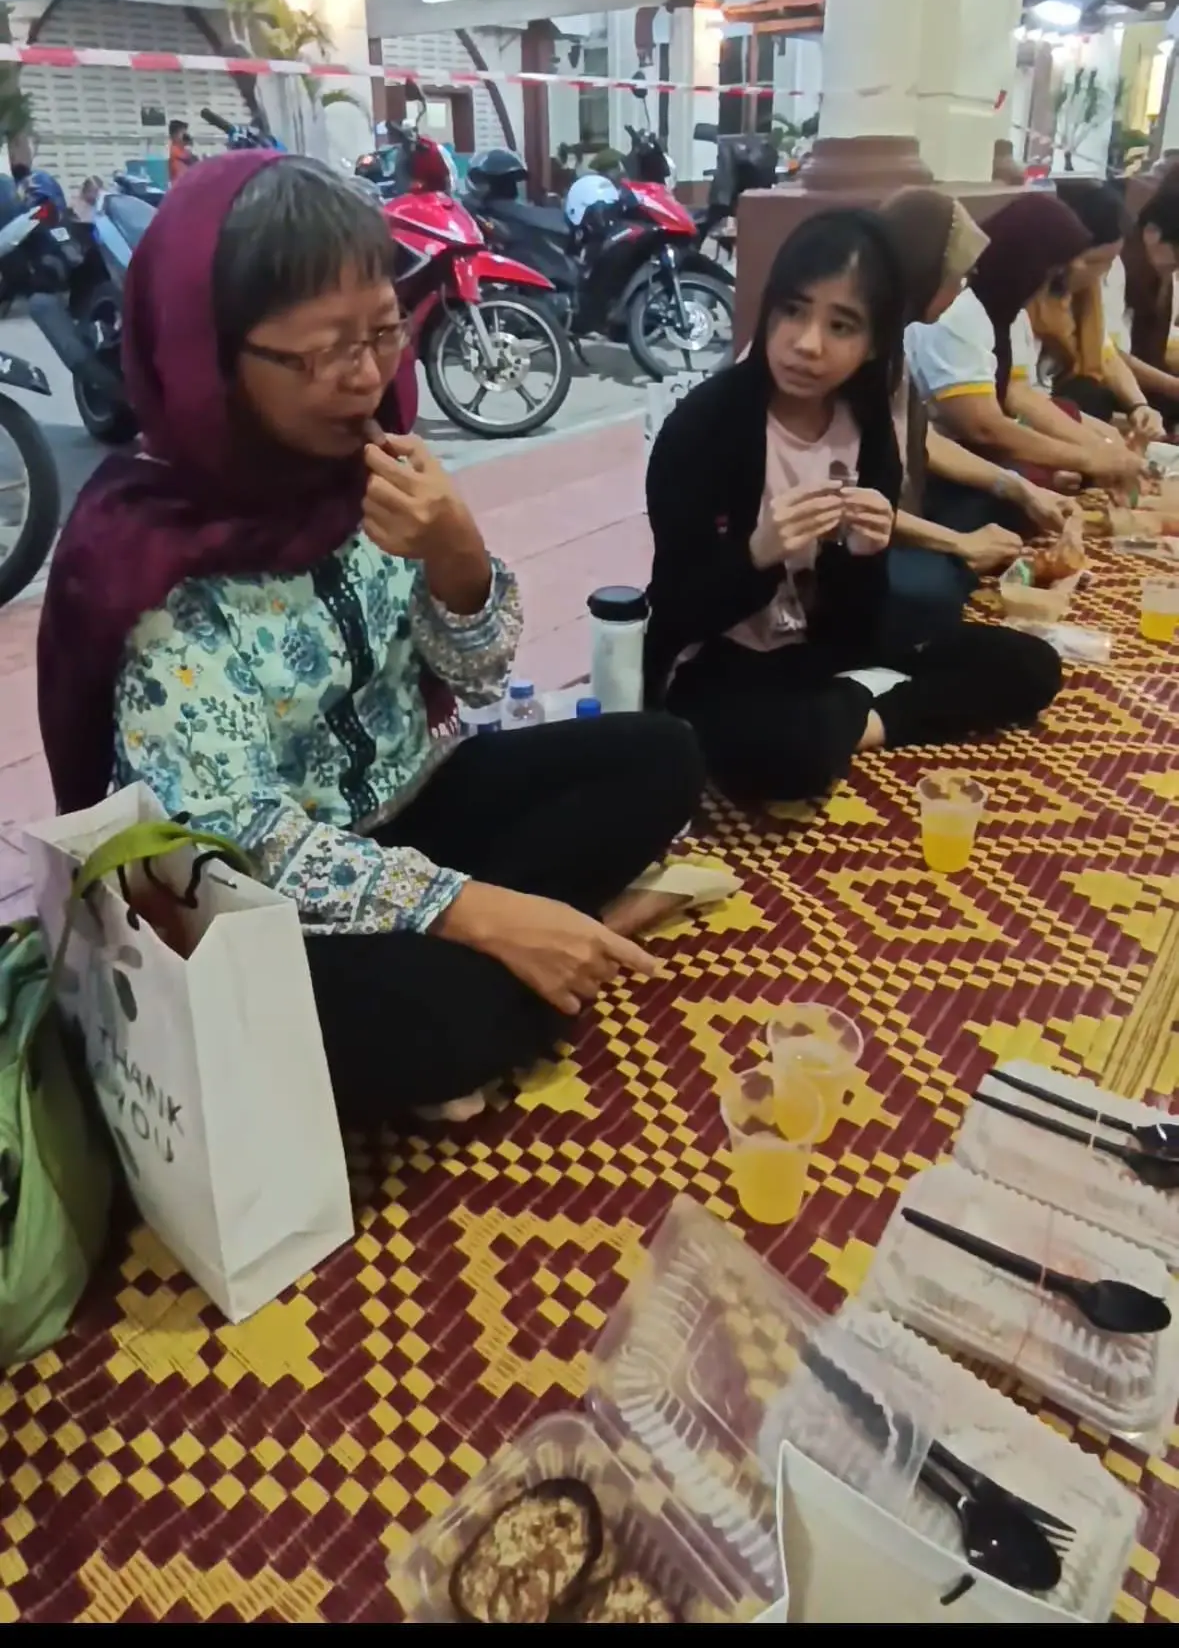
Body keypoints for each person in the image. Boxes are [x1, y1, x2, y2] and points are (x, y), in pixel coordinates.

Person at [37, 153, 705, 1125]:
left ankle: (514, 960)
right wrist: (476, 910)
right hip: (268, 900)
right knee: (435, 1027)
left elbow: (476, 677)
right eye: (320, 351)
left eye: (383, 331)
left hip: (414, 801)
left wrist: (458, 557)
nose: (364, 377)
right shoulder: (148, 554)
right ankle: (523, 953)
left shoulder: (376, 465)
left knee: (663, 754)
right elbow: (235, 843)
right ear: (210, 355)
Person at [644, 211, 1061, 806]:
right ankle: (863, 711)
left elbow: (855, 628)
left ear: (873, 346)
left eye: (841, 325)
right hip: (720, 664)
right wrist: (757, 555)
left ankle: (853, 719)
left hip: (826, 660)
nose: (806, 343)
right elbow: (675, 616)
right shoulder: (703, 428)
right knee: (781, 758)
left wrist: (865, 555)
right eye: (792, 310)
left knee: (1030, 665)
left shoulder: (864, 430)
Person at [880, 189, 1068, 642]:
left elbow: (916, 439)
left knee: (1005, 500)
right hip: (846, 532)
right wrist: (959, 544)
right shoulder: (860, 344)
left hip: (892, 510)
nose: (961, 290)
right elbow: (842, 498)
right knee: (932, 592)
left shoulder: (893, 337)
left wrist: (1018, 488)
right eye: (958, 276)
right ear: (924, 272)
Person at [905, 193, 1143, 544]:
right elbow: (983, 427)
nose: (1046, 287)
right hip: (937, 470)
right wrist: (1088, 459)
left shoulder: (1008, 312)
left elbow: (1020, 395)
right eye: (1046, 274)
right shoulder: (959, 312)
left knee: (1051, 465)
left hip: (967, 454)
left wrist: (1102, 451)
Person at [1037, 179, 1165, 437]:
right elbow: (1023, 399)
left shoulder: (1087, 291)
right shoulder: (1027, 299)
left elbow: (1104, 351)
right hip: (1035, 411)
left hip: (1057, 404)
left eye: (1108, 262)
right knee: (1089, 396)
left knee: (1092, 394)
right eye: (1093, 261)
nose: (1100, 274)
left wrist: (1139, 405)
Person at [1110, 183, 1179, 430]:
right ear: (1152, 233)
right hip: (1114, 389)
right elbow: (1109, 353)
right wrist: (1172, 386)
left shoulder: (1164, 275)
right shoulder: (1115, 267)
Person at [167, 119, 197, 186]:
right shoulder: (175, 151)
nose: (186, 136)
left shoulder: (183, 150)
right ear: (175, 135)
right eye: (183, 133)